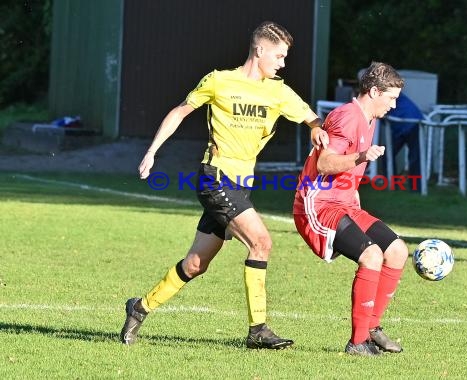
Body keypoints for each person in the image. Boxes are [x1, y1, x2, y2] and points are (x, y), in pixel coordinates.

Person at [120, 21, 328, 350]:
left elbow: (310, 117)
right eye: (279, 55)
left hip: (240, 185)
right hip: (215, 177)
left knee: (195, 264)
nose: (283, 63)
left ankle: (139, 307)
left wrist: (317, 128)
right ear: (259, 51)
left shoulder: (278, 91)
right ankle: (258, 329)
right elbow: (179, 112)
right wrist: (151, 152)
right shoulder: (219, 81)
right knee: (261, 243)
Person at [293, 62, 409, 356]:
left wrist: (354, 191)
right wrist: (361, 157)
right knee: (371, 255)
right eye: (391, 98)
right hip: (317, 204)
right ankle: (358, 342)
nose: (393, 105)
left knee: (396, 250)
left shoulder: (370, 119)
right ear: (373, 91)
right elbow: (324, 163)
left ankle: (372, 328)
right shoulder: (347, 116)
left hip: (344, 202)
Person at [384, 92, 423, 191]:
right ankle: (415, 188)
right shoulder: (389, 88)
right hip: (410, 122)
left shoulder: (385, 90)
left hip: (408, 123)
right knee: (414, 158)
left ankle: (393, 185)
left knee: (413, 158)